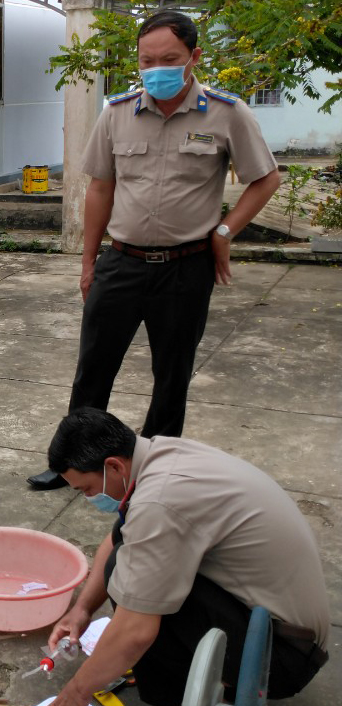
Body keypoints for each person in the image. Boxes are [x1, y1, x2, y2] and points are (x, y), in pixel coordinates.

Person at [28, 9, 280, 492]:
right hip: (122, 262)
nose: (156, 69)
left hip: (186, 268)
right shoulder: (117, 112)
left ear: (194, 57)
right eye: (147, 60)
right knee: (93, 370)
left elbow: (265, 178)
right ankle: (74, 464)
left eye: (169, 59)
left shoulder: (227, 113)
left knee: (172, 375)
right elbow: (100, 188)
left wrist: (225, 231)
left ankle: (154, 470)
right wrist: (88, 262)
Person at [41, 408, 330, 706]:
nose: (88, 498)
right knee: (129, 558)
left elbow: (136, 630)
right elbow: (120, 536)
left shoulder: (160, 501)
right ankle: (200, 685)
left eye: (86, 489)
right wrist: (81, 610)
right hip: (284, 632)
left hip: (279, 659)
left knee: (136, 588)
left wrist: (77, 691)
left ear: (114, 466)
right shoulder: (162, 456)